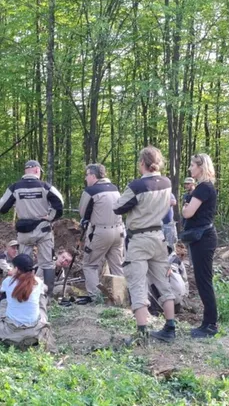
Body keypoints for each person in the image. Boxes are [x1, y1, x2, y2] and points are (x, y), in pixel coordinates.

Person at [114, 146, 176, 344]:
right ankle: (170, 327)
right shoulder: (167, 182)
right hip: (159, 236)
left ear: (142, 163)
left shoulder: (137, 186)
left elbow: (118, 207)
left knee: (137, 283)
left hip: (139, 239)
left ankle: (142, 332)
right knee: (163, 283)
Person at [0, 160, 64, 297]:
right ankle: (47, 296)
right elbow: (60, 203)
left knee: (23, 263)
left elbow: (2, 207)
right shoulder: (45, 186)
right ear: (37, 170)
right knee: (47, 263)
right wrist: (51, 217)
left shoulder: (15, 188)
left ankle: (24, 293)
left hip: (24, 232)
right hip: (43, 229)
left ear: (25, 170)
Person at [181, 153, 219, 338]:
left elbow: (188, 213)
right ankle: (207, 323)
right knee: (203, 280)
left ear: (201, 167)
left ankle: (210, 324)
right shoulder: (204, 187)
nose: (190, 168)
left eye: (192, 165)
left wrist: (184, 207)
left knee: (204, 281)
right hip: (202, 238)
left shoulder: (203, 188)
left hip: (203, 239)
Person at [78, 164, 125, 299]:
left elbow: (83, 212)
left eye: (87, 175)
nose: (86, 178)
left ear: (93, 176)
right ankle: (121, 297)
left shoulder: (91, 191)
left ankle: (95, 298)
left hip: (100, 232)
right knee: (117, 266)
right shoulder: (115, 188)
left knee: (90, 265)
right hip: (119, 231)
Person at [0, 254, 53, 349]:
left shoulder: (8, 281)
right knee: (41, 297)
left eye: (13, 267)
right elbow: (45, 289)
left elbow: (3, 292)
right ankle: (43, 319)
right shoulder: (38, 282)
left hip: (10, 332)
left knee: (4, 299)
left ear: (17, 268)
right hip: (34, 333)